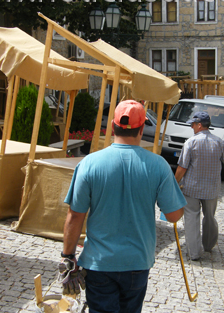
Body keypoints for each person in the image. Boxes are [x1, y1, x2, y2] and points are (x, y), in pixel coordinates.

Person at [62, 100, 186, 313]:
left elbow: (75, 216)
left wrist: (68, 256)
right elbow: (174, 215)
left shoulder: (88, 164)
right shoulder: (159, 165)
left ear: (112, 127)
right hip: (137, 263)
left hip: (99, 263)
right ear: (141, 129)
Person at [175, 111, 224, 261]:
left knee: (191, 218)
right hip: (211, 189)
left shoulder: (190, 142)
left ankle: (195, 253)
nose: (191, 126)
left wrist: (174, 183)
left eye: (193, 124)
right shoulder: (219, 142)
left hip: (191, 188)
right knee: (210, 217)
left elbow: (182, 168)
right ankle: (208, 245)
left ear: (199, 125)